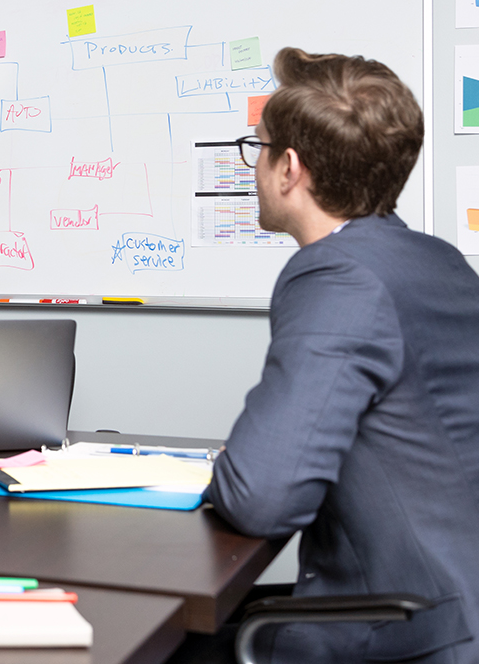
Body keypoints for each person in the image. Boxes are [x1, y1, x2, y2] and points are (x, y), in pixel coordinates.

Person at [204, 48, 479, 662]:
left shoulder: (337, 276)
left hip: (409, 633)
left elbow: (261, 497)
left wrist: (239, 465)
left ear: (289, 168)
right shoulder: (432, 258)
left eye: (258, 148)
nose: (255, 167)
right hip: (453, 601)